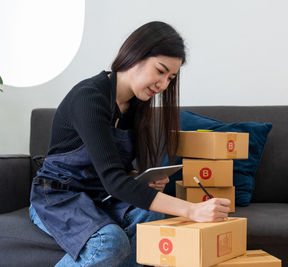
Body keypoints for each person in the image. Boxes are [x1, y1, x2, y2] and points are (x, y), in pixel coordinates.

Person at [29, 21, 231, 267]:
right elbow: (113, 180)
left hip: (100, 197)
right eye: (160, 71)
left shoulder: (136, 105)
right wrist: (192, 210)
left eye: (171, 78)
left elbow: (116, 172)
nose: (164, 84)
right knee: (110, 242)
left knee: (150, 215)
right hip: (58, 196)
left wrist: (140, 177)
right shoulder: (89, 98)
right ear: (135, 55)